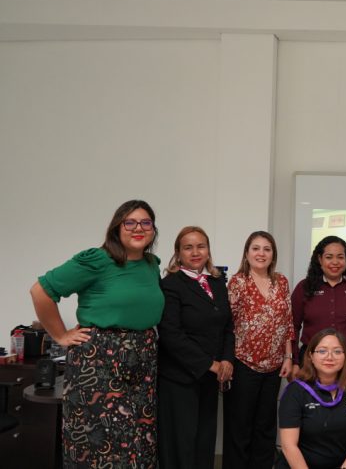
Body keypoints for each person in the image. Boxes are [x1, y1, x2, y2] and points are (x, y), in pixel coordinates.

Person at [30, 199, 162, 468]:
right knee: (100, 442)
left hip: (143, 362)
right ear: (117, 227)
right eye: (130, 222)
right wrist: (60, 335)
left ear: (153, 230)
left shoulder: (150, 264)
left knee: (138, 438)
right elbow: (40, 291)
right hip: (99, 363)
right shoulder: (97, 260)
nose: (139, 228)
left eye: (146, 222)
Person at [157, 226, 234, 468]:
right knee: (182, 444)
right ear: (178, 253)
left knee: (204, 441)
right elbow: (171, 335)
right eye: (188, 247)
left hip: (210, 379)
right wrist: (210, 364)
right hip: (179, 379)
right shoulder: (170, 284)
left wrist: (227, 360)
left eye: (201, 246)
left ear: (208, 250)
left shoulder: (217, 282)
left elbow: (228, 327)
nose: (195, 252)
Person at [224, 231, 295, 469]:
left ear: (273, 254)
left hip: (274, 366)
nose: (261, 253)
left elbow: (287, 322)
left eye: (267, 249)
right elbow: (227, 325)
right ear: (247, 253)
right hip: (244, 364)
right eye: (256, 248)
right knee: (240, 427)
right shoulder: (238, 282)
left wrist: (288, 356)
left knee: (265, 428)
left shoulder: (281, 282)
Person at [278, 328, 346, 469]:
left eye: (337, 351)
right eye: (322, 351)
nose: (330, 357)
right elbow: (288, 446)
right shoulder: (295, 391)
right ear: (310, 356)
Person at [291, 236, 346, 385]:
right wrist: (295, 361)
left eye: (340, 257)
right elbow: (293, 327)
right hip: (312, 361)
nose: (335, 262)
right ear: (319, 259)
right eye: (329, 257)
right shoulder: (304, 288)